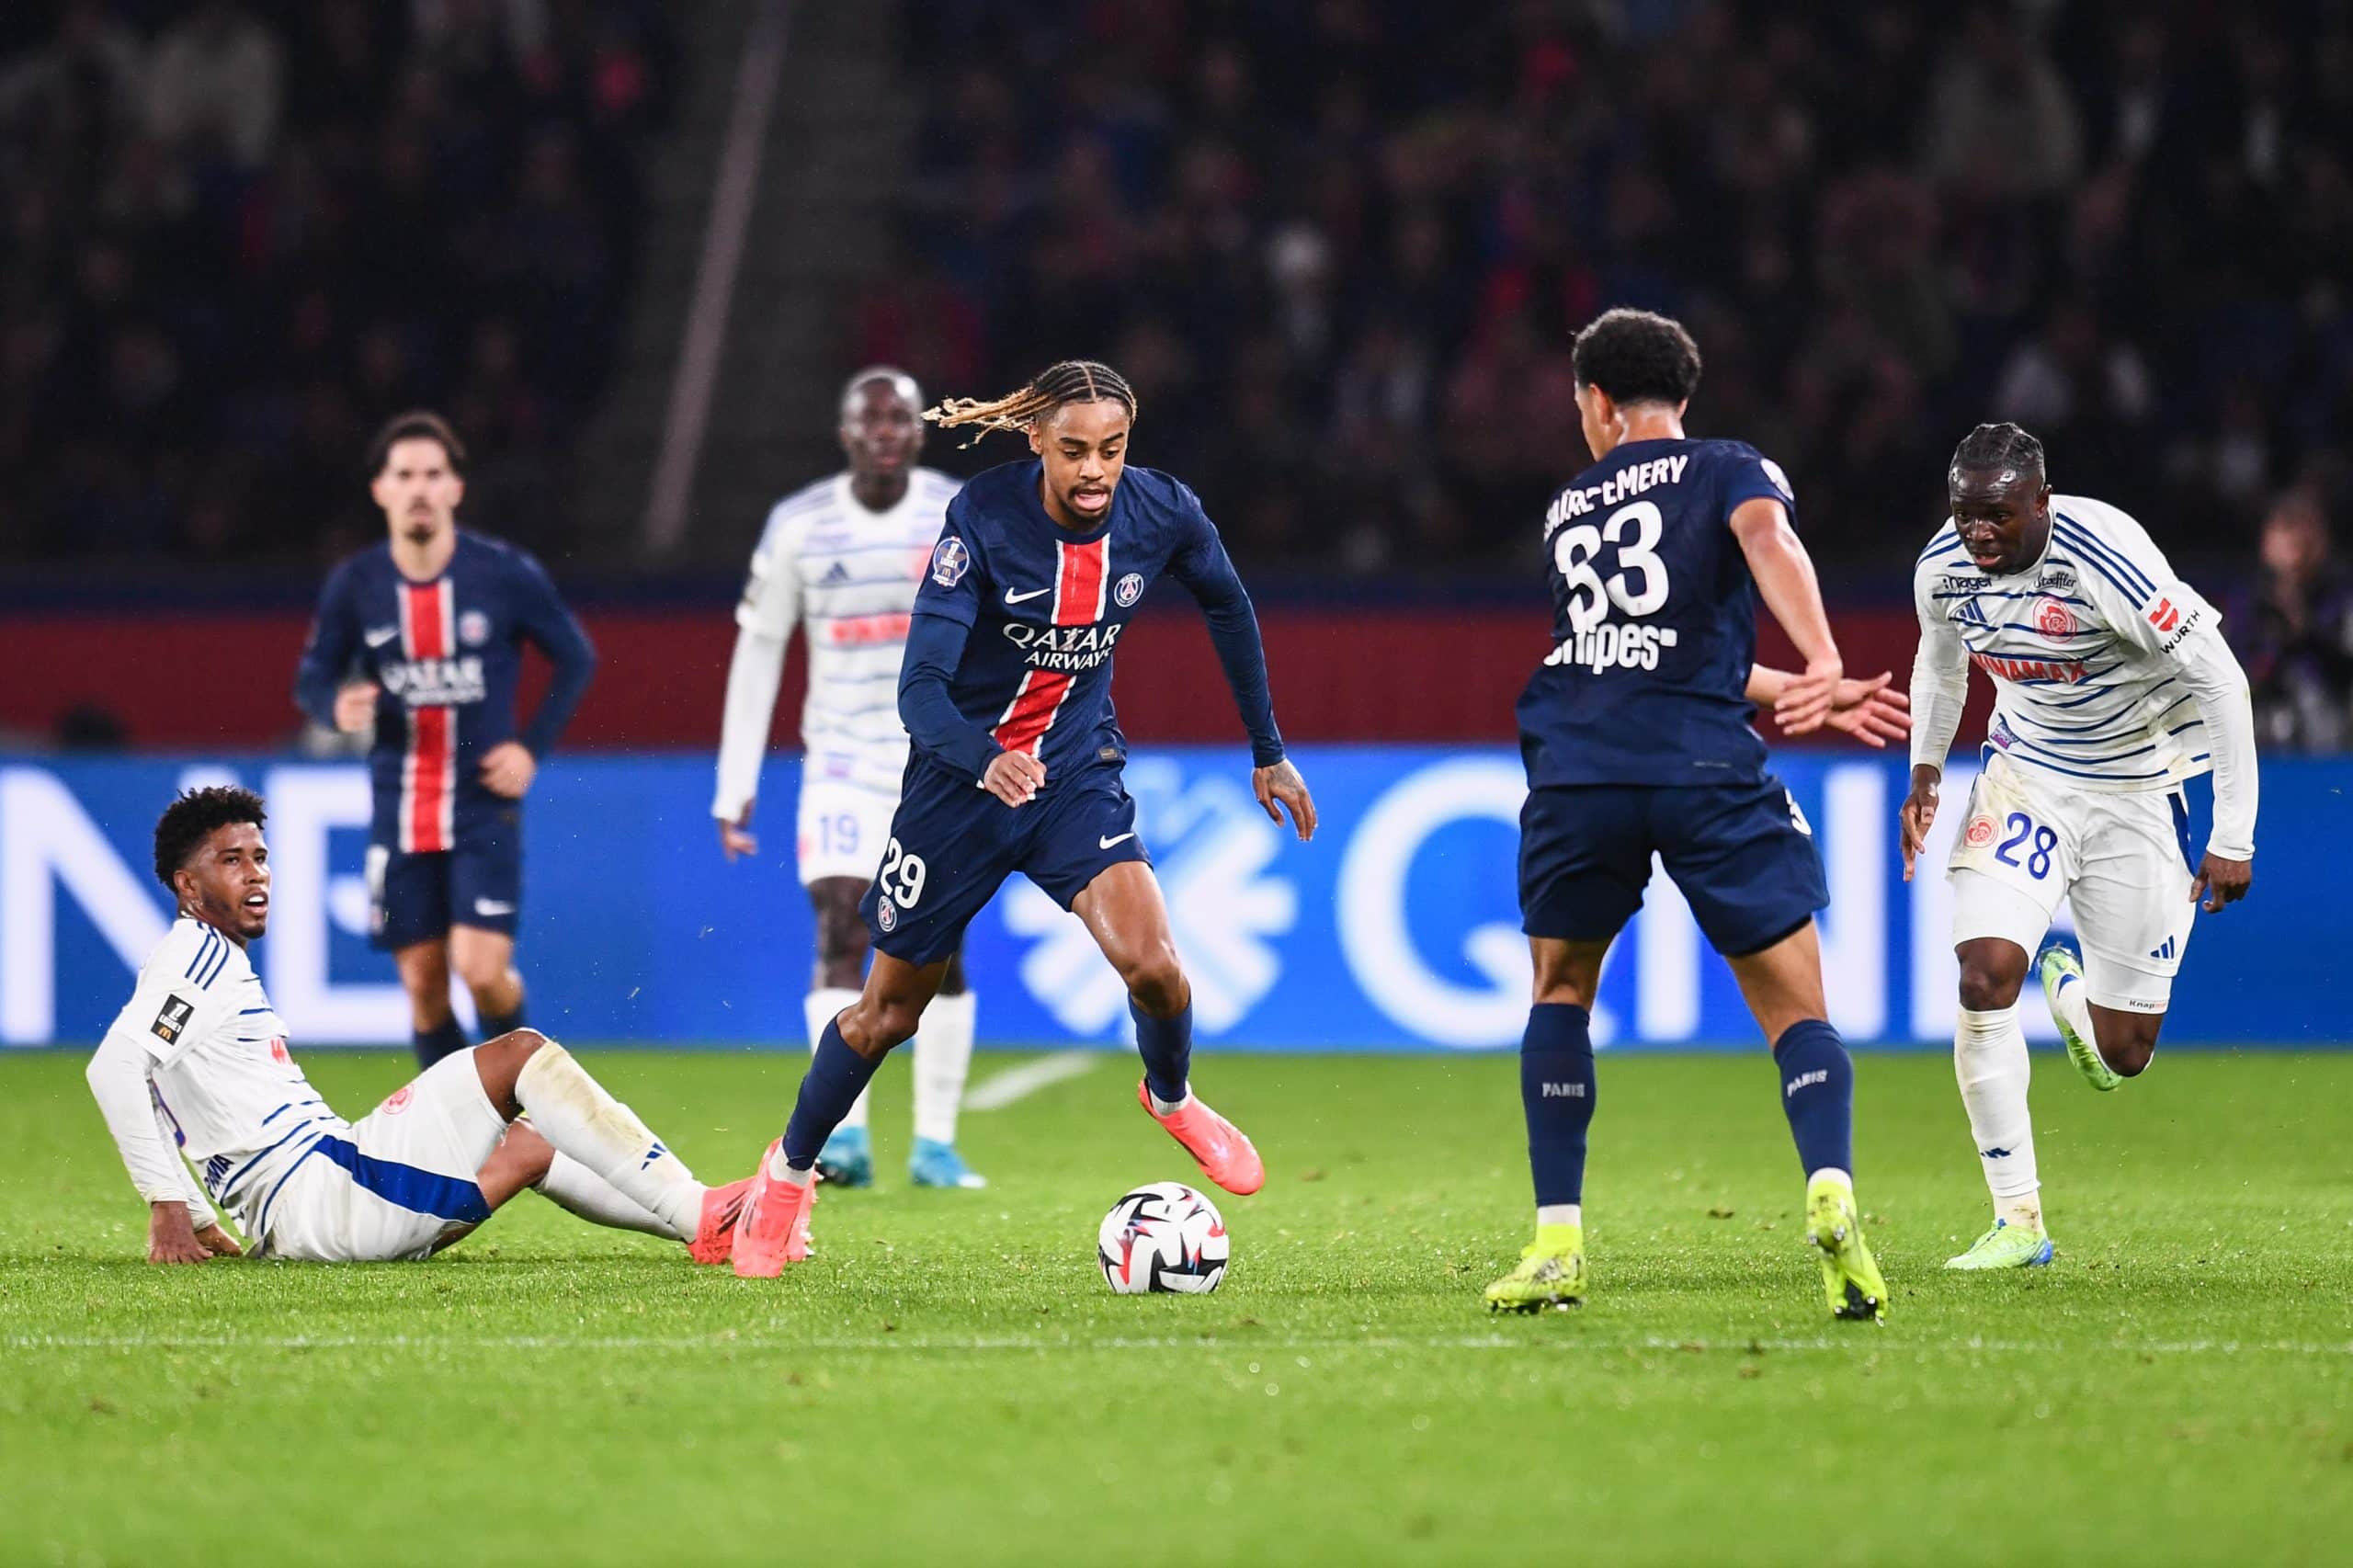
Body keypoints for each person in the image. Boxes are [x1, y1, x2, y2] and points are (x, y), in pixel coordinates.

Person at [727, 359, 1317, 1278]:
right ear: (1036, 438)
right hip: (958, 790)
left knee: (1157, 968)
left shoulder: (1161, 511)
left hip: (1072, 777)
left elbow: (1228, 605)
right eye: (1074, 449)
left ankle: (1171, 1098)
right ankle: (788, 1174)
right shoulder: (984, 520)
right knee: (885, 1014)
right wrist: (984, 758)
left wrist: (1267, 748)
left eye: (1112, 449)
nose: (1094, 470)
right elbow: (920, 689)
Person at [1485, 308, 1909, 1321]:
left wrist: (1806, 684)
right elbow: (1768, 538)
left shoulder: (1568, 507)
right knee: (1795, 1010)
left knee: (1560, 992)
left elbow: (1640, 653)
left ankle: (1556, 1241)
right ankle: (1831, 1188)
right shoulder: (1727, 465)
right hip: (1702, 765)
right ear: (1681, 396)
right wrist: (1822, 659)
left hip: (1580, 771)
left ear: (1596, 401)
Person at [83, 786, 750, 1264]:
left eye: (259, 856)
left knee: (532, 1143)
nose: (256, 875)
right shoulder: (196, 954)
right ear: (188, 886)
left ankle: (718, 1227)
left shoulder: (196, 962)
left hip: (313, 1217)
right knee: (520, 1054)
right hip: (327, 1195)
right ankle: (702, 1210)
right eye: (231, 861)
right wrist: (169, 1206)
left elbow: (157, 1087)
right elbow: (115, 1069)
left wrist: (200, 1216)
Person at [1903, 423, 2257, 1270]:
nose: (1978, 532)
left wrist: (2232, 833)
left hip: (2137, 789)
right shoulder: (1943, 569)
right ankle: (2017, 1220)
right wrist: (1925, 771)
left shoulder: (2108, 556)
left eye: (1997, 514)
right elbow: (1941, 666)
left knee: (2126, 1053)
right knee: (1984, 975)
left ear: (2042, 503)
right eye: (1964, 513)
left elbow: (2221, 679)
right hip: (2026, 779)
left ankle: (2073, 998)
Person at [713, 368, 984, 1190]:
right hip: (839, 760)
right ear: (846, 433)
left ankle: (935, 1144)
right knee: (840, 924)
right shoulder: (800, 525)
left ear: (919, 432)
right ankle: (848, 1138)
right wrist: (735, 779)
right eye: (871, 420)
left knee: (941, 947)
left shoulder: (955, 511)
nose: (885, 432)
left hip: (936, 759)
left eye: (899, 419)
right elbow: (760, 644)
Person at [293, 411, 597, 1070]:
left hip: (483, 804)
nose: (420, 489)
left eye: (433, 474)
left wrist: (530, 748)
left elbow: (576, 657)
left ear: (456, 487)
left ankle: (521, 1092)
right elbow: (312, 676)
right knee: (424, 986)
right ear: (381, 490)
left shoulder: (502, 574)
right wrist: (333, 704)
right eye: (405, 476)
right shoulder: (357, 585)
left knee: (481, 971)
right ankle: (462, 1121)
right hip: (400, 809)